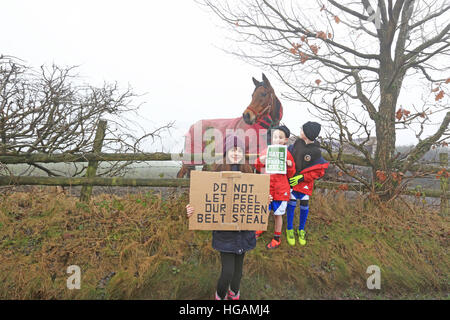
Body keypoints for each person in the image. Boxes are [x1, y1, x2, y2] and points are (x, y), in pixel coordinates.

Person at [186, 134, 272, 300]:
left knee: (238, 273)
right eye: (232, 149)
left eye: (239, 150)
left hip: (245, 233)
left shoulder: (249, 172)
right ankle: (219, 296)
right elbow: (203, 199)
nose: (236, 153)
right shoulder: (217, 172)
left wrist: (264, 200)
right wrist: (192, 210)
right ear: (225, 152)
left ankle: (234, 294)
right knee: (227, 272)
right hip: (224, 234)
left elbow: (254, 200)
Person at [286, 121, 329, 246]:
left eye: (302, 129)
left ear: (308, 133)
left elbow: (318, 171)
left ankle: (301, 229)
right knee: (291, 203)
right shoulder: (295, 145)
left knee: (304, 204)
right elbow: (287, 156)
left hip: (305, 183)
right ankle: (289, 229)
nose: (300, 130)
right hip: (292, 181)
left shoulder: (316, 152)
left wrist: (303, 177)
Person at [253, 125, 296, 249]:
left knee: (278, 214)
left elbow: (292, 173)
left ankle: (277, 238)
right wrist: (261, 160)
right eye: (275, 137)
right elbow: (257, 166)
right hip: (266, 188)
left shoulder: (287, 154)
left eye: (280, 137)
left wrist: (289, 165)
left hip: (281, 190)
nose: (277, 139)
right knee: (264, 211)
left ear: (286, 140)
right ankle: (260, 229)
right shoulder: (266, 151)